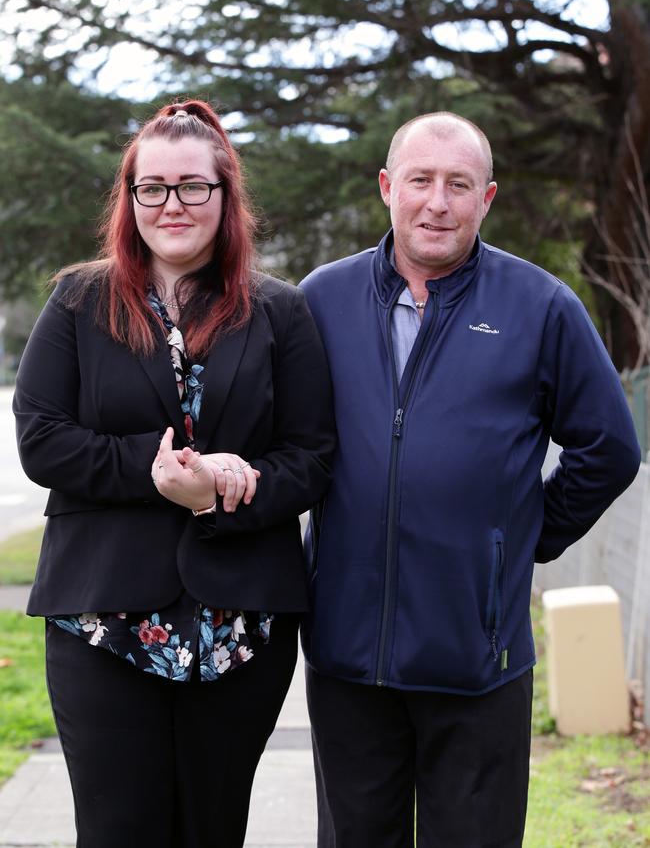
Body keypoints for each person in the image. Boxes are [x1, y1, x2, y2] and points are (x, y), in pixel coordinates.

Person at [299, 112, 641, 848]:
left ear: (487, 199)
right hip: (347, 659)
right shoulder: (321, 300)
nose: (437, 202)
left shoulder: (542, 307)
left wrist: (521, 540)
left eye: (459, 184)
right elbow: (287, 446)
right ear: (388, 187)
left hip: (478, 663)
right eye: (420, 180)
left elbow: (609, 446)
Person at [13, 99, 335, 848]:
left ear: (226, 195)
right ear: (129, 200)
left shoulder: (281, 312)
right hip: (101, 621)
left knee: (213, 831)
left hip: (241, 625)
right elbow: (42, 439)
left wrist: (223, 492)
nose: (172, 203)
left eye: (193, 186)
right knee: (118, 829)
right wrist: (162, 473)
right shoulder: (78, 299)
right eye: (151, 187)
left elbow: (312, 458)